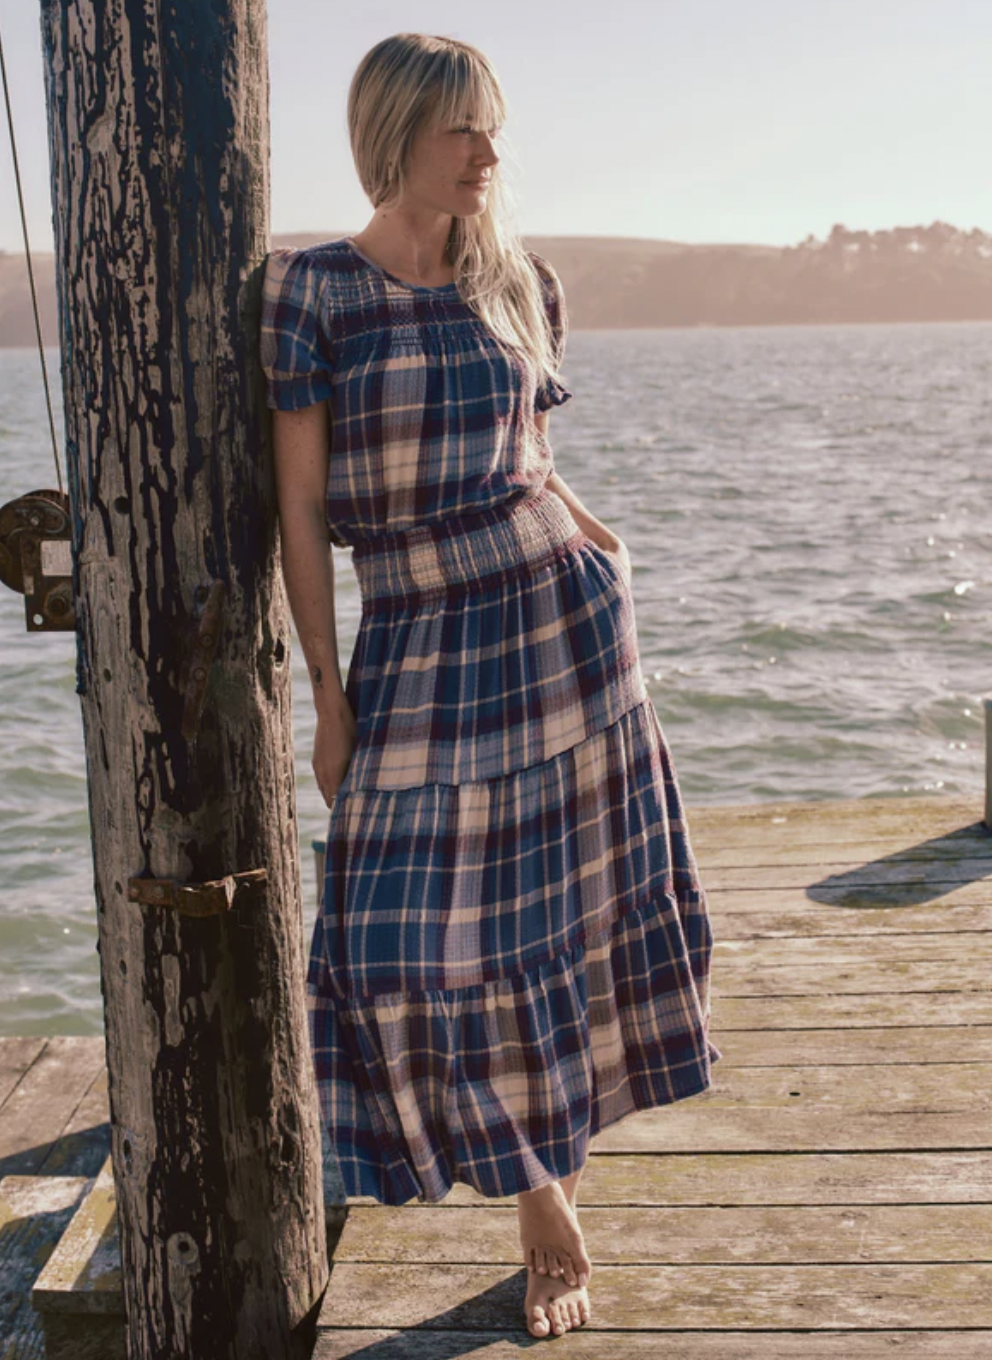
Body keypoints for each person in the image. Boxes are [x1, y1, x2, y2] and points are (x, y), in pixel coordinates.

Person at [261, 32, 721, 1342]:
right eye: (461, 128)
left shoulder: (521, 281)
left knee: (558, 929)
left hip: (564, 629)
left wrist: (600, 536)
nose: (487, 154)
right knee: (403, 941)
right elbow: (301, 514)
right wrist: (325, 702)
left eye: (492, 128)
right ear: (393, 132)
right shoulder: (311, 293)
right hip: (412, 637)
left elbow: (530, 449)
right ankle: (531, 1185)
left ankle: (545, 1213)